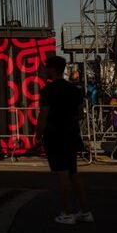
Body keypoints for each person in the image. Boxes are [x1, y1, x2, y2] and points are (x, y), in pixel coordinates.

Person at [34, 55, 93, 224]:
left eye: (46, 67)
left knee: (62, 173)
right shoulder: (75, 90)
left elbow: (43, 115)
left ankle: (67, 212)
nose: (44, 71)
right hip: (72, 133)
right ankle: (85, 211)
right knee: (73, 172)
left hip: (55, 134)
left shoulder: (48, 91)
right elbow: (80, 113)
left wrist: (38, 136)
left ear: (52, 69)